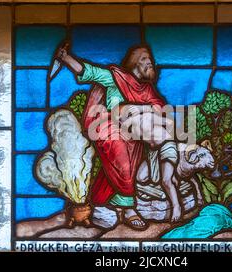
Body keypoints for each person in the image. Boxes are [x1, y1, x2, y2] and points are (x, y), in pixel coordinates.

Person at [56, 43, 168, 230]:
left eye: (150, 60)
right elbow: (88, 71)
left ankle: (98, 202)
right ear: (134, 63)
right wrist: (66, 57)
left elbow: (159, 109)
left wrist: (134, 109)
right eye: (144, 59)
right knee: (123, 164)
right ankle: (128, 208)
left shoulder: (147, 90)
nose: (150, 63)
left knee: (115, 170)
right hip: (107, 128)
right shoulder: (114, 77)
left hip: (134, 135)